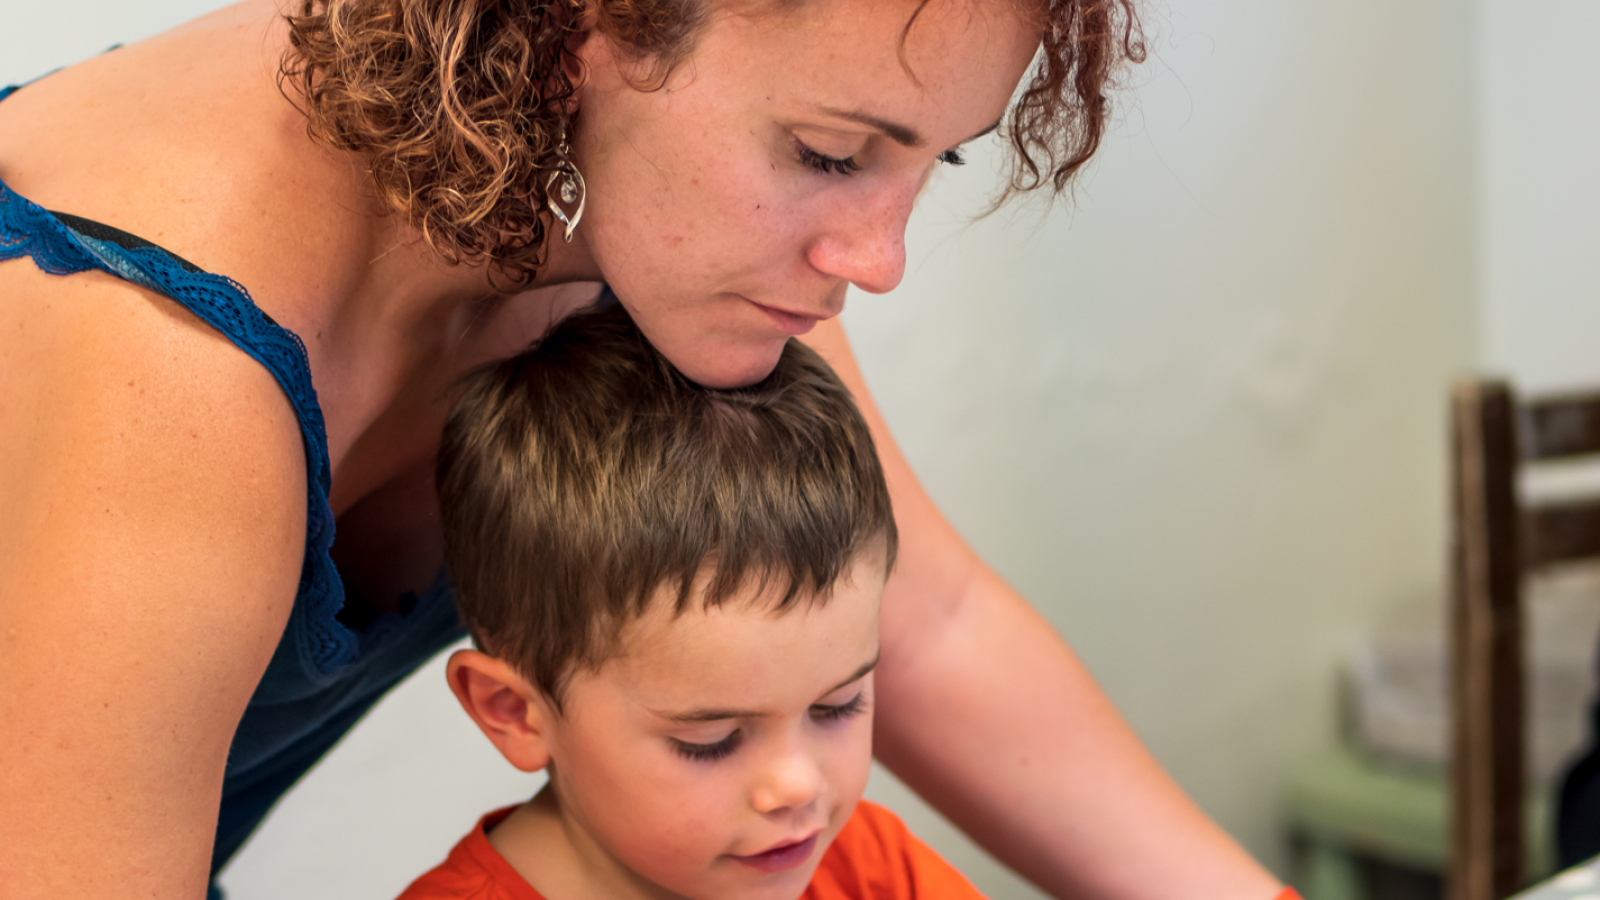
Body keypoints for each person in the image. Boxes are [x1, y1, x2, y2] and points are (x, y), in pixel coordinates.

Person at [0, 1, 1286, 899]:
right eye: (829, 154)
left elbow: (924, 616)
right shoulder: (161, 367)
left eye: (926, 161)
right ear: (585, 26)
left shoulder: (613, 213)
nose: (878, 264)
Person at [402, 300, 987, 900]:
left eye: (837, 706)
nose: (797, 785)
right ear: (514, 710)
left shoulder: (871, 871)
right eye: (711, 741)